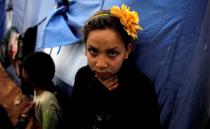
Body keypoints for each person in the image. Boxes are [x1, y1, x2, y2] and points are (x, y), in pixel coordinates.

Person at [69, 4, 160, 129]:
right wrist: (95, 94)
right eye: (93, 51)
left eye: (112, 53)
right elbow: (72, 120)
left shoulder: (141, 89)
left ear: (127, 51)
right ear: (85, 47)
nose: (101, 64)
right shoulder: (83, 76)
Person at [21, 51, 62, 129]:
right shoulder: (38, 91)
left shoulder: (47, 100)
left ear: (30, 74)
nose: (22, 69)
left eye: (24, 68)